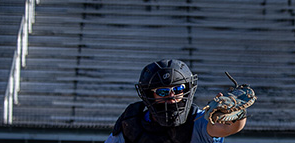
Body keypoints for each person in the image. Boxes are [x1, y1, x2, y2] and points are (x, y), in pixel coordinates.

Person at [105, 59, 246, 143]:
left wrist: (234, 112)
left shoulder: (198, 120)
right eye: (163, 92)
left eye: (178, 89)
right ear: (149, 94)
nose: (171, 96)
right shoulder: (132, 122)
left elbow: (230, 127)